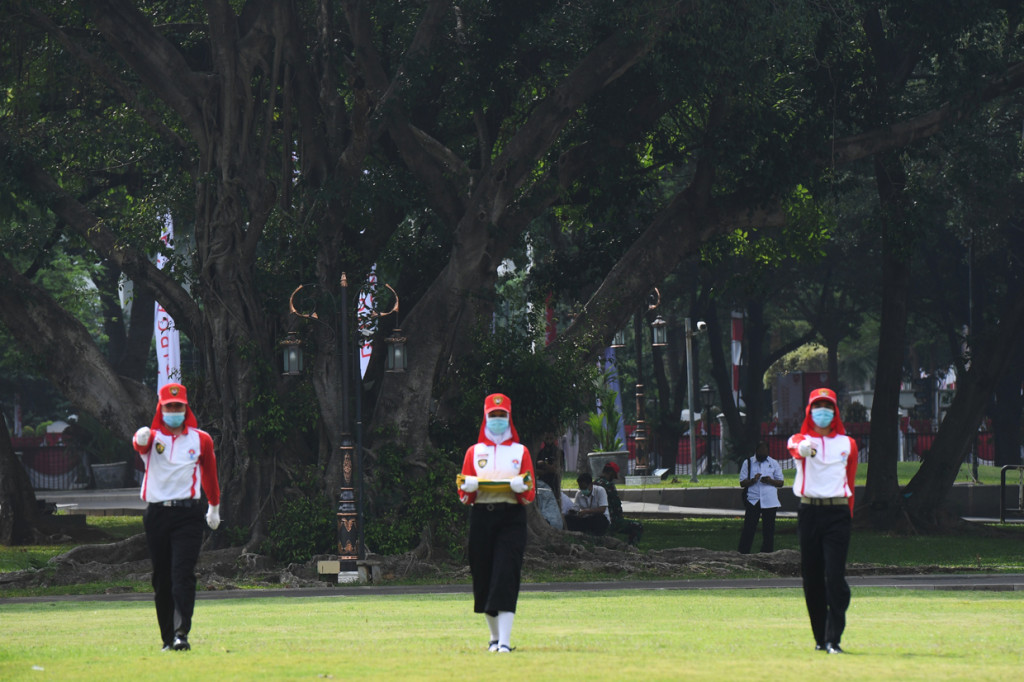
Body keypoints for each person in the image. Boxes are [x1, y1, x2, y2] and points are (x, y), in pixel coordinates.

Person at [131, 382, 221, 652]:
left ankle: (182, 633)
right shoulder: (152, 438)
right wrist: (141, 436)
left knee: (182, 573)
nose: (174, 410)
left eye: (178, 406)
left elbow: (209, 475)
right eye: (169, 406)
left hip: (188, 515)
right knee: (162, 578)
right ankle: (167, 637)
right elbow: (138, 444)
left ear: (185, 408)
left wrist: (214, 507)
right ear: (161, 408)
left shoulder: (200, 439)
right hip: (158, 513)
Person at [457, 393, 536, 653]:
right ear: (486, 417)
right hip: (481, 517)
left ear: (509, 417)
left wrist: (519, 487)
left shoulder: (519, 452)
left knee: (505, 574)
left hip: (510, 518)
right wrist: (468, 488)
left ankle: (504, 642)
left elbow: (529, 493)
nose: (498, 420)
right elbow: (464, 495)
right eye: (493, 415)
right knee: (483, 577)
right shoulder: (474, 452)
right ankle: (493, 638)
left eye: (502, 415)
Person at [786, 387, 858, 655]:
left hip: (837, 513)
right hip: (810, 512)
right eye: (818, 406)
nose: (823, 411)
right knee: (812, 577)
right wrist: (804, 447)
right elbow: (795, 447)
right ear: (810, 410)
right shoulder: (800, 439)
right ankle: (820, 637)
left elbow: (850, 481)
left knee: (835, 577)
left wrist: (848, 516)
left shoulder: (847, 444)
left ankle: (834, 639)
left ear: (835, 410)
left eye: (828, 406)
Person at [737, 440, 784, 554]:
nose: (762, 453)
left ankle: (767, 552)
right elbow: (742, 483)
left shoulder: (773, 463)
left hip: (769, 500)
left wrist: (769, 481)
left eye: (765, 451)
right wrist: (754, 480)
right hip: (754, 500)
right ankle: (743, 552)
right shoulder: (748, 463)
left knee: (769, 529)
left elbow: (780, 482)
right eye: (760, 450)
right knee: (749, 527)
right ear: (756, 451)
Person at [594, 462, 643, 545]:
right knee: (638, 526)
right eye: (613, 476)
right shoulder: (608, 485)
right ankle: (631, 547)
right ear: (611, 473)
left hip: (597, 519)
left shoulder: (594, 483)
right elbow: (616, 505)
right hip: (612, 520)